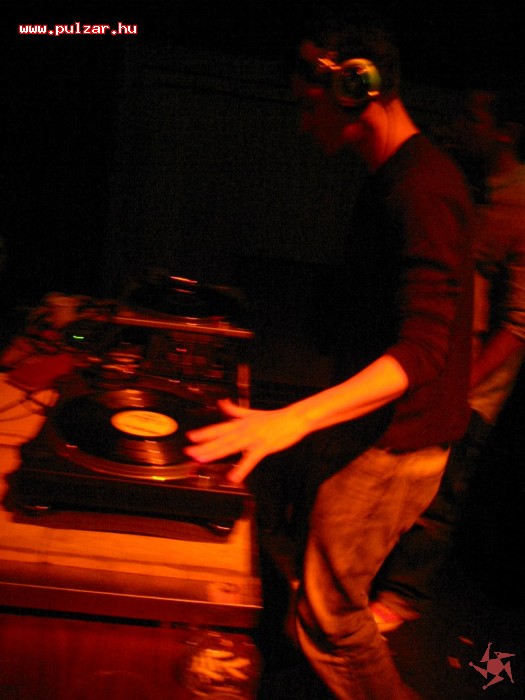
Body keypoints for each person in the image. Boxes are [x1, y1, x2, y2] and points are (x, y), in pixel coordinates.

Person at [185, 14, 474, 699]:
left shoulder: (422, 187)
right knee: (317, 607)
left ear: (355, 88)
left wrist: (294, 419)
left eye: (306, 104)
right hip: (375, 431)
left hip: (397, 443)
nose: (301, 122)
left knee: (330, 622)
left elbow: (422, 351)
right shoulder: (393, 177)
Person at [370, 86, 525, 633]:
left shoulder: (520, 203)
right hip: (439, 362)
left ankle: (403, 594)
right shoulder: (470, 183)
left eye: (472, 117)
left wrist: (464, 384)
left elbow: (518, 323)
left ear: (505, 133)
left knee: (442, 493)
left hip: (473, 383)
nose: (459, 124)